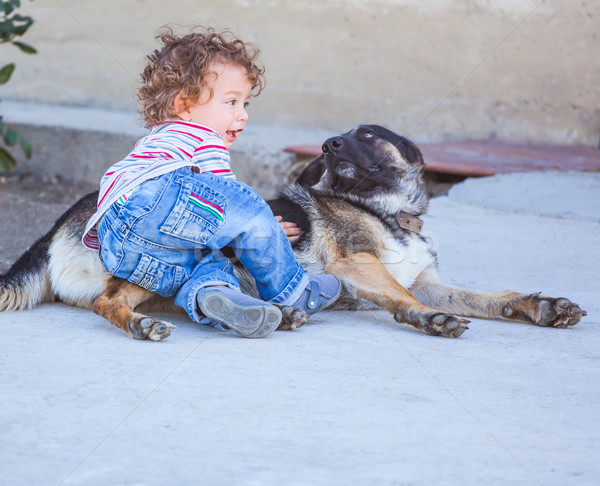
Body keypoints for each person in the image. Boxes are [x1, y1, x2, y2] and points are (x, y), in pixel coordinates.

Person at [82, 27, 341, 338]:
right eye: (231, 102)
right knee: (246, 202)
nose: (242, 115)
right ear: (184, 106)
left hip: (118, 244)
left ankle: (215, 296)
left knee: (203, 263)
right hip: (157, 200)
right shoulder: (203, 138)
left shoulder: (154, 141)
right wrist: (262, 226)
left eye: (245, 104)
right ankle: (294, 291)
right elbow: (225, 200)